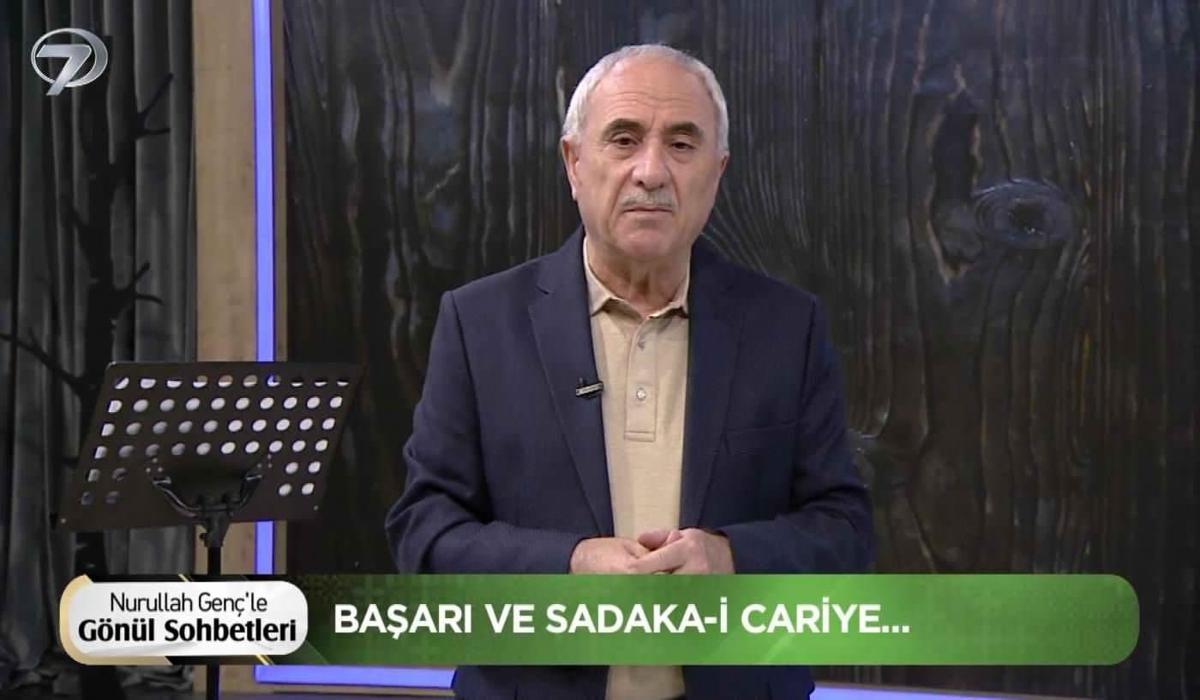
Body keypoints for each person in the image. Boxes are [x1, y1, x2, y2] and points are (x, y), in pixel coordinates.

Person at [386, 44, 873, 699]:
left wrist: (731, 558)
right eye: (623, 139)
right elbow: (424, 535)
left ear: (718, 171)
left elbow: (844, 530)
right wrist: (568, 567)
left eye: (682, 144)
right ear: (574, 163)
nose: (651, 171)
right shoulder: (479, 324)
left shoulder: (787, 327)